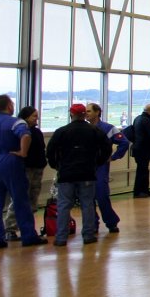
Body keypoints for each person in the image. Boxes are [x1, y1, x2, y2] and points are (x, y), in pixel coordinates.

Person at [0, 94, 45, 249]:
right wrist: (23, 152)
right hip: (9, 160)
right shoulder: (16, 122)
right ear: (9, 106)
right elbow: (25, 135)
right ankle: (28, 236)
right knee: (20, 200)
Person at [45, 103, 110, 246]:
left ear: (71, 114)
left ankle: (61, 237)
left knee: (63, 205)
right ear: (84, 115)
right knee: (87, 204)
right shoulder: (94, 131)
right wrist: (97, 163)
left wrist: (56, 165)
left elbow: (50, 151)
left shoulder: (61, 131)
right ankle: (88, 235)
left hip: (66, 173)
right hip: (87, 173)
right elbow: (106, 148)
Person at [83, 103, 127, 234]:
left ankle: (111, 222)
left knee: (102, 196)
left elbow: (124, 142)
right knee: (87, 197)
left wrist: (113, 157)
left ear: (97, 112)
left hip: (100, 166)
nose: (87, 113)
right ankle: (92, 223)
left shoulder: (108, 128)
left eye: (89, 111)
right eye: (85, 111)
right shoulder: (82, 128)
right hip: (85, 167)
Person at [3, 105, 46, 239]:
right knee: (19, 198)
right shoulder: (20, 132)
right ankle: (10, 228)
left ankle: (27, 228)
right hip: (25, 168)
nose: (36, 118)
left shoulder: (36, 132)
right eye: (34, 116)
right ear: (26, 117)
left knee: (32, 198)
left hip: (37, 168)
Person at [131, 104, 150, 197]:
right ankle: (140, 191)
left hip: (137, 148)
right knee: (142, 170)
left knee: (142, 170)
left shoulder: (137, 118)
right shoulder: (147, 121)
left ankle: (144, 190)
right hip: (144, 149)